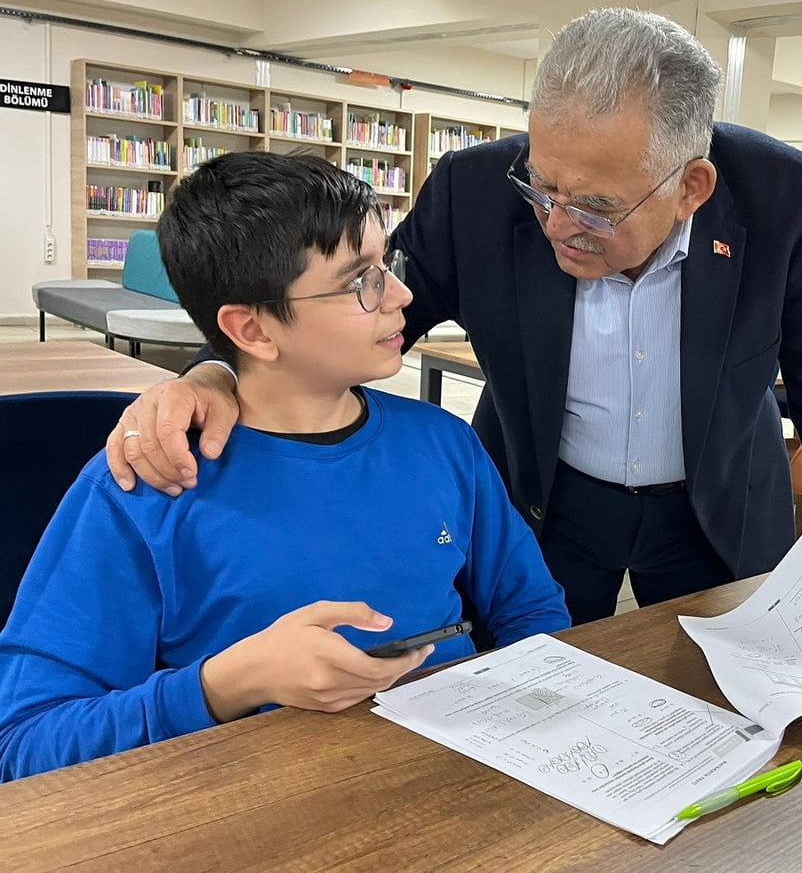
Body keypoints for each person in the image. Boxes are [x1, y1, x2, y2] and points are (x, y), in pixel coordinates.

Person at [103, 8, 802, 658]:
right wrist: (218, 374)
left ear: (691, 186)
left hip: (718, 510)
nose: (558, 222)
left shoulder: (785, 200)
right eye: (545, 184)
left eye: (599, 205)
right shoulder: (475, 191)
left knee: (732, 710)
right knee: (535, 681)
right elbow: (340, 314)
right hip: (540, 502)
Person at [0, 153, 570, 781]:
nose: (403, 296)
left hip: (452, 783)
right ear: (252, 329)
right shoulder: (145, 485)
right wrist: (226, 685)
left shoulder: (444, 445)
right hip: (251, 802)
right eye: (362, 281)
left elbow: (533, 612)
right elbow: (26, 744)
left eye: (389, 264)